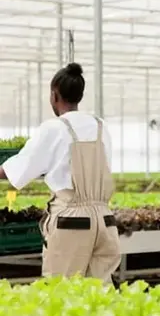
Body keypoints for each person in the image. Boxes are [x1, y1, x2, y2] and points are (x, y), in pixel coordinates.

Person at [0, 63, 120, 283]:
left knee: (62, 291)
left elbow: (20, 168)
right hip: (105, 221)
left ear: (54, 95)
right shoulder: (101, 126)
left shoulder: (53, 128)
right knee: (100, 294)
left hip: (71, 223)